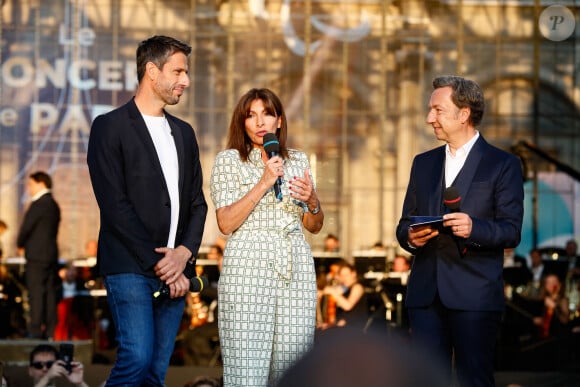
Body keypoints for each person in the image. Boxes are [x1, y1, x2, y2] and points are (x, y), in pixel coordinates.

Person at [87, 35, 208, 385]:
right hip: (129, 266)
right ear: (152, 72)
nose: (185, 80)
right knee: (136, 360)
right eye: (178, 71)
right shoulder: (109, 127)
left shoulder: (184, 133)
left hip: (176, 271)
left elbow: (197, 204)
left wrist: (183, 255)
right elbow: (114, 206)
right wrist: (164, 264)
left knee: (155, 373)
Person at [396, 75, 524, 387]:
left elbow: (511, 230)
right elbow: (404, 224)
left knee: (474, 381)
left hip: (475, 296)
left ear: (463, 113)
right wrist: (409, 237)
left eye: (437, 110)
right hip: (425, 296)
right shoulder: (422, 163)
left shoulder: (503, 164)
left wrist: (473, 227)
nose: (430, 118)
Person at [210, 87, 324, 386]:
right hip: (248, 265)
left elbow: (313, 226)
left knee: (293, 364)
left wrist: (312, 201)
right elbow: (225, 222)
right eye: (251, 115)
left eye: (267, 114)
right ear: (242, 122)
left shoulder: (298, 160)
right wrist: (264, 181)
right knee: (247, 366)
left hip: (295, 264)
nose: (260, 122)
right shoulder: (229, 160)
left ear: (279, 121)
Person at [16, 171, 61, 339]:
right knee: (49, 294)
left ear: (41, 184)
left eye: (31, 184)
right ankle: (50, 331)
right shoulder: (54, 204)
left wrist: (20, 244)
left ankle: (34, 331)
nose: (29, 188)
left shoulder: (38, 204)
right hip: (50, 255)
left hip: (36, 255)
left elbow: (27, 228)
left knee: (36, 293)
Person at [322, 261, 367, 330]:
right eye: (342, 276)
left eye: (346, 275)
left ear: (353, 274)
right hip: (344, 326)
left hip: (354, 328)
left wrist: (333, 292)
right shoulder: (345, 288)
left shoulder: (358, 287)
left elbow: (348, 306)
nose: (344, 278)